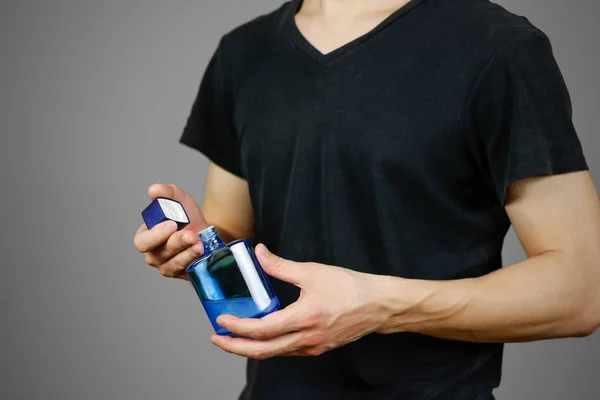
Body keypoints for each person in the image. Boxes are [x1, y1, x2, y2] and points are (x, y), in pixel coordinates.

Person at [133, 0, 600, 398]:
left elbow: (582, 292)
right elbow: (235, 234)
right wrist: (197, 246)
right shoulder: (243, 52)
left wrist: (379, 306)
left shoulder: (497, 47)